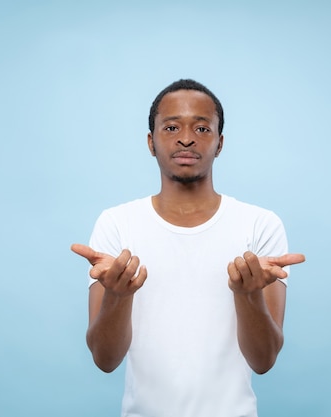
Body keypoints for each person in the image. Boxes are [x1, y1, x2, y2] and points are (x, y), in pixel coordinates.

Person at [71, 79, 305, 417]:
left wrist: (248, 294)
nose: (186, 138)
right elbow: (105, 360)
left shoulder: (260, 225)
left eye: (201, 127)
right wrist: (118, 296)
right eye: (171, 127)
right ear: (151, 143)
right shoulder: (117, 223)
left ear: (220, 143)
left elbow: (264, 360)